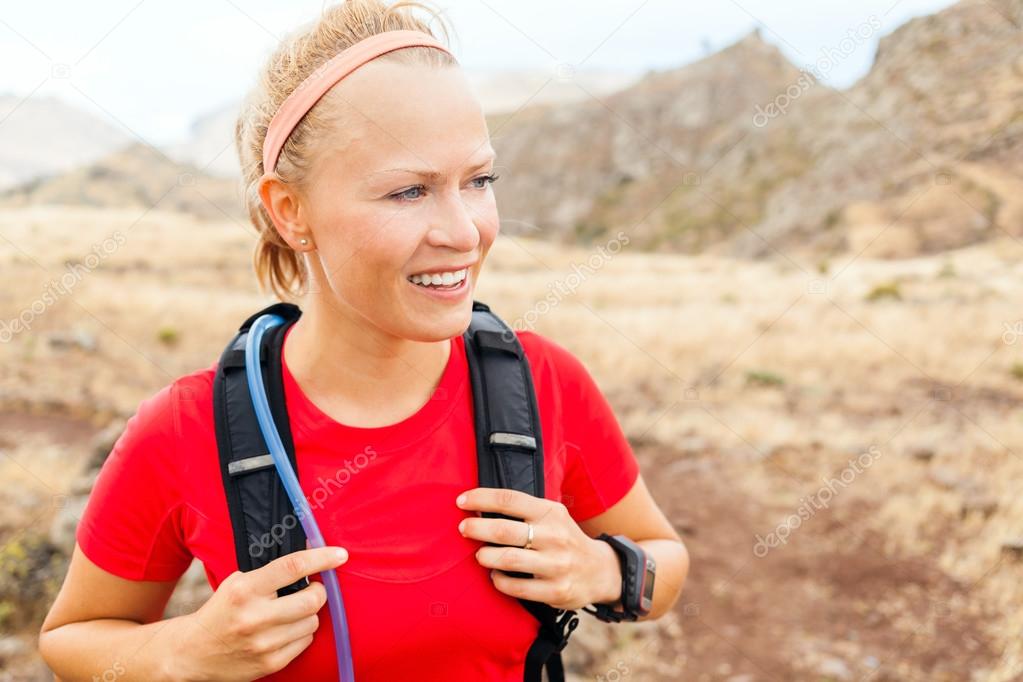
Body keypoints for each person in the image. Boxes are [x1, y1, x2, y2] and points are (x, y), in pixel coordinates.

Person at [38, 1, 689, 680]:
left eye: (479, 181)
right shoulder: (186, 428)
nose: (463, 231)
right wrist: (183, 653)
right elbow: (72, 638)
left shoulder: (543, 385)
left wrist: (602, 569)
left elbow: (662, 563)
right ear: (291, 210)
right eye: (409, 192)